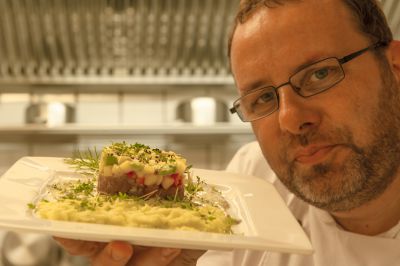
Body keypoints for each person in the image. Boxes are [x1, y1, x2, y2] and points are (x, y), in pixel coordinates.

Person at [55, 0, 400, 265]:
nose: (291, 119)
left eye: (320, 74)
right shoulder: (254, 183)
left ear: (395, 67)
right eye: (264, 98)